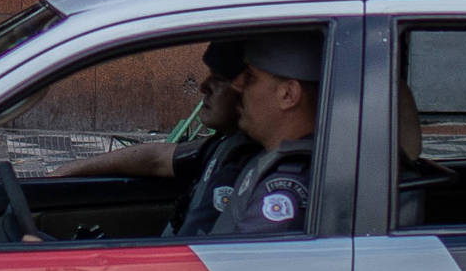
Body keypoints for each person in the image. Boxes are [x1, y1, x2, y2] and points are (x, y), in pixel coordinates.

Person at [52, 42, 255, 235]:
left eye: (219, 79)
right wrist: (65, 172)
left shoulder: (259, 164)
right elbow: (155, 158)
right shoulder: (222, 146)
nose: (203, 87)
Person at [211, 32, 324, 236]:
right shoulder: (267, 159)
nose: (236, 86)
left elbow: (242, 264)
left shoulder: (286, 186)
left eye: (251, 77)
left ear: (288, 94)